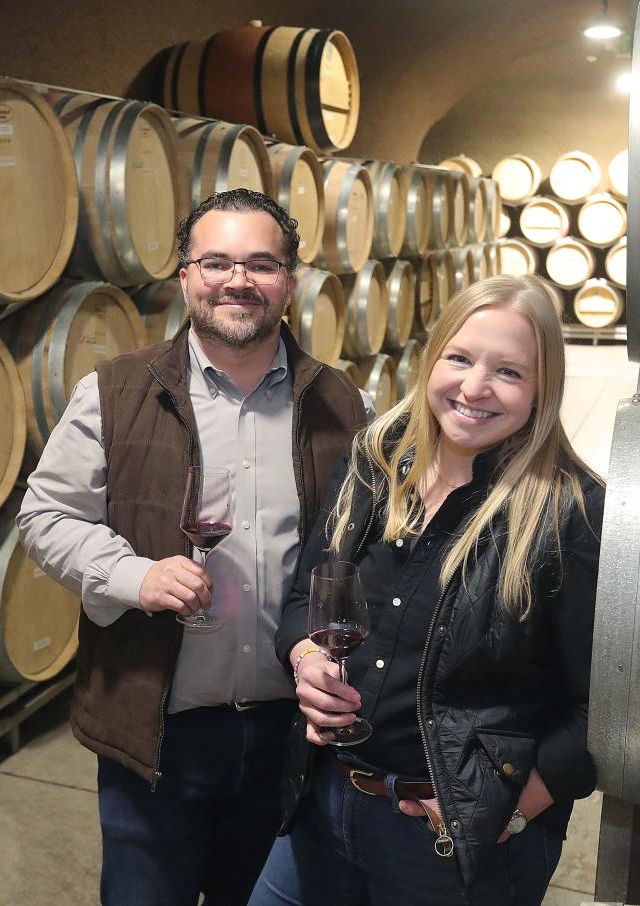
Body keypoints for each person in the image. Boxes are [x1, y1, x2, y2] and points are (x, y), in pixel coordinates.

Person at [18, 188, 372, 905]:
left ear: (290, 283)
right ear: (184, 276)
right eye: (216, 262)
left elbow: (370, 554)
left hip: (289, 734)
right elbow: (46, 516)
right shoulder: (114, 392)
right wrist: (131, 575)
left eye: (261, 264)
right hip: (156, 729)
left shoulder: (343, 404)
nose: (237, 280)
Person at [249, 275, 605, 906]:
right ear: (431, 356)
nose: (473, 388)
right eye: (460, 358)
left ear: (543, 389)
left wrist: (512, 808)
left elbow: (603, 706)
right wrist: (305, 660)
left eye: (509, 372)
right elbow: (307, 597)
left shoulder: (569, 512)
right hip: (324, 797)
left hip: (450, 843)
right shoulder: (377, 458)